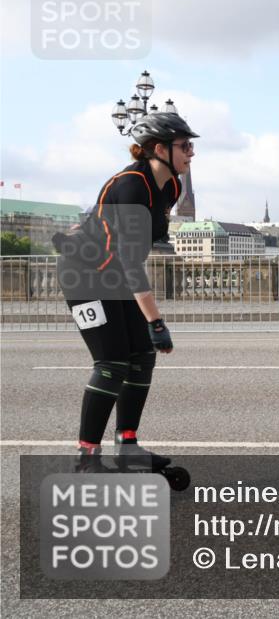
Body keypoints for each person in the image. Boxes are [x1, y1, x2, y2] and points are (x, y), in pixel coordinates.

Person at [53, 112, 198, 472]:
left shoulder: (172, 187)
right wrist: (156, 320)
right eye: (184, 145)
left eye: (191, 145)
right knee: (112, 362)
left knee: (142, 356)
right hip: (84, 275)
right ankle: (87, 459)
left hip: (114, 274)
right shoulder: (133, 185)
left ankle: (127, 445)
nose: (191, 152)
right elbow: (133, 261)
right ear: (158, 149)